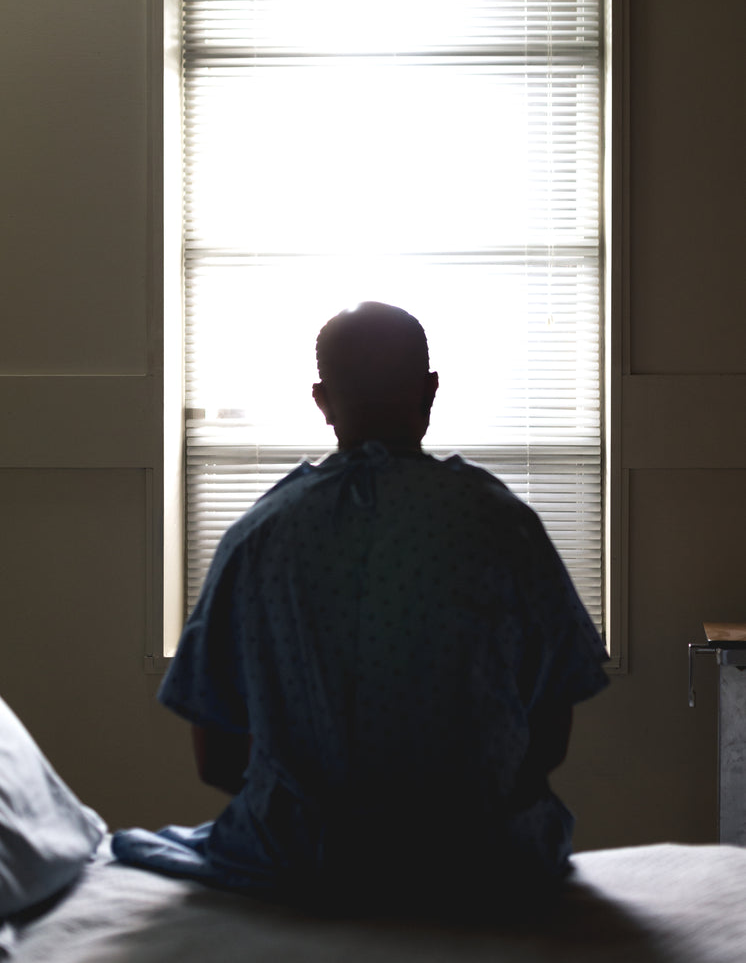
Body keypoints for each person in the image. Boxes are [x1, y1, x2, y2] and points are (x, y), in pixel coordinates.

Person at [113, 302, 608, 913]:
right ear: (429, 392)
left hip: (301, 860)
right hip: (481, 860)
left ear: (321, 400)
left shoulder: (258, 534)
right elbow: (550, 739)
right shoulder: (504, 525)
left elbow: (215, 759)